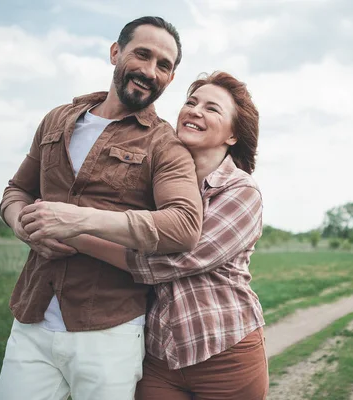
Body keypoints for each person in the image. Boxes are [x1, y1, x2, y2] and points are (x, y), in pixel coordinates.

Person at [0, 17, 203, 400]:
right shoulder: (57, 119)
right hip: (32, 318)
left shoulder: (165, 145)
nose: (149, 71)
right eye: (142, 54)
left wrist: (77, 220)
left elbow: (184, 225)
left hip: (110, 330)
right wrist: (24, 227)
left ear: (170, 79)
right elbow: (16, 191)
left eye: (163, 65)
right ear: (115, 53)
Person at [62, 71, 268, 399]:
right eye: (190, 102)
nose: (195, 110)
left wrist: (74, 234)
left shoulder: (241, 191)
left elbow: (172, 262)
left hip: (225, 351)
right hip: (160, 356)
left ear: (232, 135)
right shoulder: (154, 186)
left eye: (212, 108)